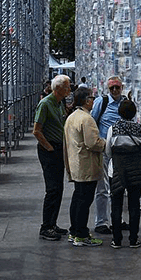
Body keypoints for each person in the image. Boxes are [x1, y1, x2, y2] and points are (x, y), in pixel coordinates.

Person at [104, 99, 141, 249]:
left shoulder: (113, 128)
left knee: (116, 205)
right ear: (134, 113)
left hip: (117, 170)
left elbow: (107, 150)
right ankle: (133, 239)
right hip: (136, 170)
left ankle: (116, 239)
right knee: (134, 205)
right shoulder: (139, 129)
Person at [63, 87, 105, 247]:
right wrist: (105, 143)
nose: (94, 101)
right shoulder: (86, 119)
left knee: (78, 198)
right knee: (84, 200)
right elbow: (92, 142)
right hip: (86, 165)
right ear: (87, 100)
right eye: (92, 98)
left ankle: (74, 231)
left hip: (76, 164)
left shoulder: (72, 117)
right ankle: (81, 234)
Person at [33, 75, 72, 241]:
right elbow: (37, 130)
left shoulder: (58, 104)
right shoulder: (46, 104)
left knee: (58, 189)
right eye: (67, 87)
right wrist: (49, 148)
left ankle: (52, 223)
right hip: (49, 150)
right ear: (59, 89)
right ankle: (46, 227)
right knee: (52, 189)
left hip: (57, 148)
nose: (69, 90)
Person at [89, 76, 126, 235]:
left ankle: (118, 219)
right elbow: (92, 123)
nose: (115, 91)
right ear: (108, 89)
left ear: (122, 88)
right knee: (102, 188)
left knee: (119, 187)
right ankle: (101, 222)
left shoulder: (125, 103)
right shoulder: (101, 103)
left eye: (117, 87)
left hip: (120, 152)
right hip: (104, 151)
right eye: (112, 88)